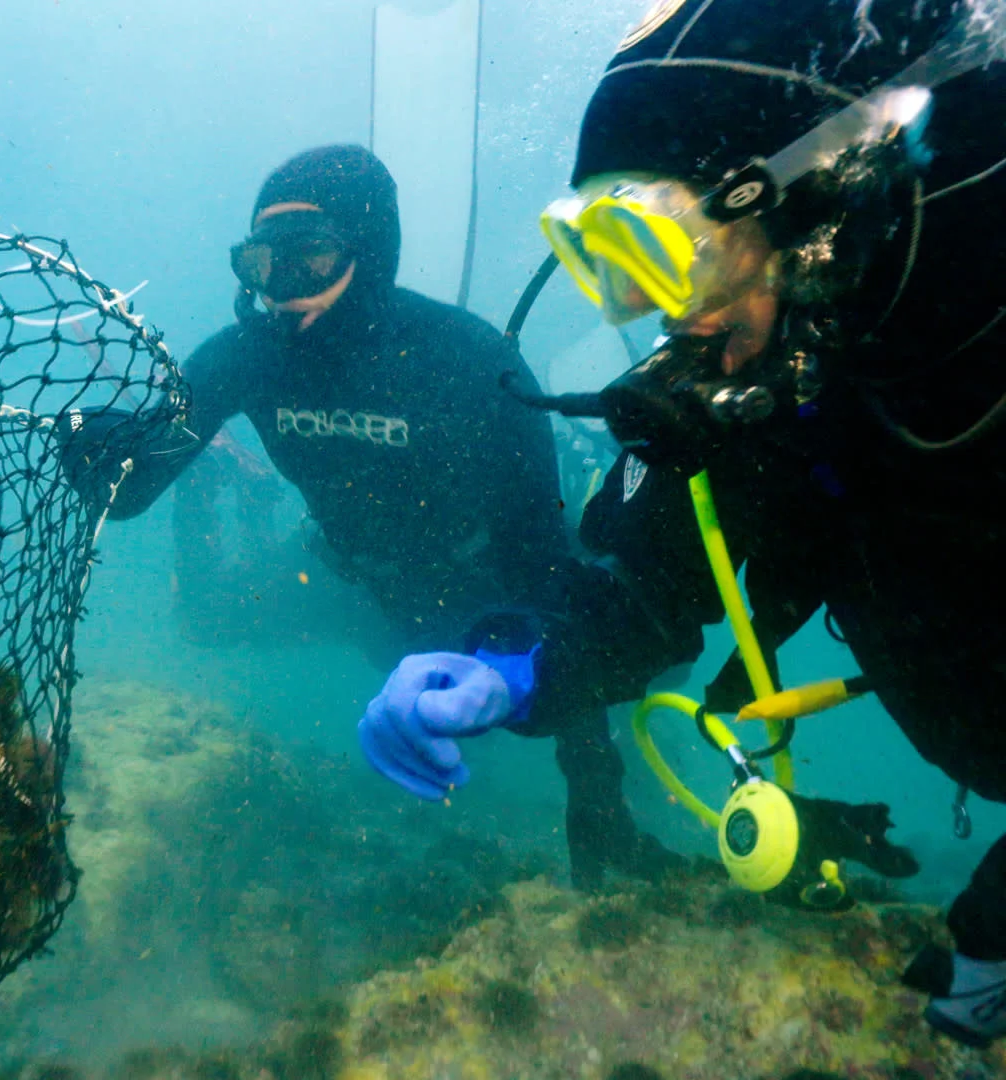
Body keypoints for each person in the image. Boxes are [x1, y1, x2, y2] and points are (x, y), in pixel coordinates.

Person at [358, 0, 1006, 1046]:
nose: (657, 314)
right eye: (604, 260)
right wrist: (515, 673)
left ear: (808, 194)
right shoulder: (775, 375)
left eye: (662, 248)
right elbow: (650, 600)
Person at [66, 144, 680, 890]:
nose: (283, 289)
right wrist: (92, 452)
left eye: (312, 257)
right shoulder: (244, 355)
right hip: (348, 579)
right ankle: (227, 482)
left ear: (372, 251)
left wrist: (597, 794)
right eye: (263, 264)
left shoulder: (470, 360)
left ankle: (623, 776)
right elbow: (129, 493)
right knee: (204, 622)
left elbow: (548, 582)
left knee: (593, 655)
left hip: (481, 588)